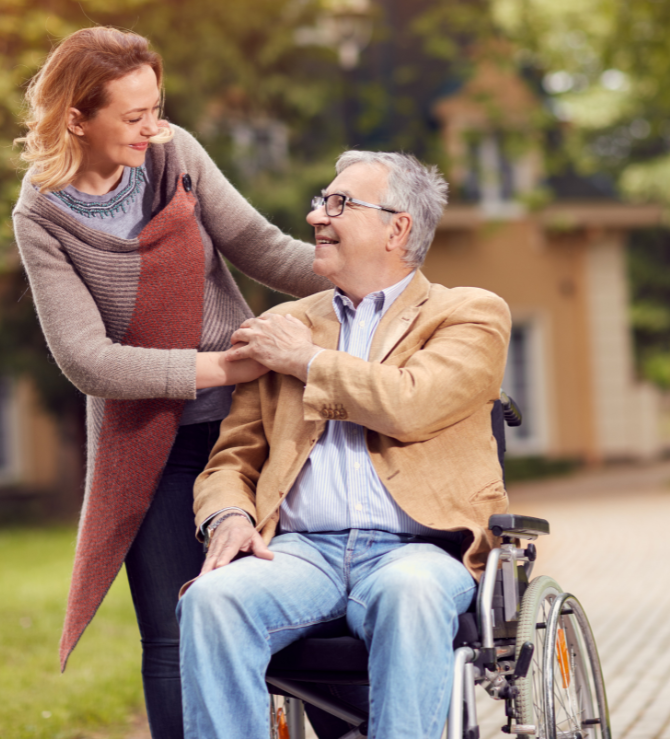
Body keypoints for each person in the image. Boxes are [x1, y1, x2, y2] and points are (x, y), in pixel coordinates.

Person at [12, 26, 331, 739]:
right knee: (173, 631)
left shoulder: (172, 154)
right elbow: (85, 359)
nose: (152, 127)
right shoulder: (42, 215)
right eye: (133, 116)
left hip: (253, 424)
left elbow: (259, 247)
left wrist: (372, 271)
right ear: (76, 119)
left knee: (309, 605)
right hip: (151, 441)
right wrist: (218, 367)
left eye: (157, 107)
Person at [178, 150, 512, 739]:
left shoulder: (469, 314)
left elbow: (411, 403)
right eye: (318, 202)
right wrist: (228, 515)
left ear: (397, 227)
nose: (316, 218)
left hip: (418, 551)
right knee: (211, 600)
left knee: (410, 594)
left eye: (338, 204)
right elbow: (234, 458)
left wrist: (305, 361)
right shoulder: (290, 323)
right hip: (302, 552)